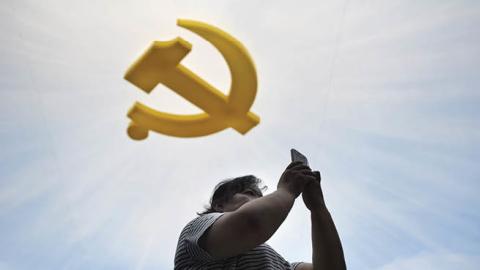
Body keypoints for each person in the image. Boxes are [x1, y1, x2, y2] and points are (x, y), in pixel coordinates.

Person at [174, 161, 346, 269]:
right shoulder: (196, 229)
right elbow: (250, 223)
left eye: (261, 198)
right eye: (249, 193)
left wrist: (318, 208)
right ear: (219, 205)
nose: (259, 201)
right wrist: (287, 190)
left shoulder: (283, 265)